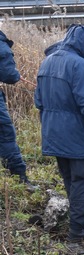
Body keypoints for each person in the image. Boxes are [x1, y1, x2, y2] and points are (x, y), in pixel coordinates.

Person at [35, 24, 84, 243]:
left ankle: (77, 220)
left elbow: (38, 101)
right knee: (82, 179)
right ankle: (79, 231)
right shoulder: (80, 65)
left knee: (70, 177)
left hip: (53, 131)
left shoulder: (48, 60)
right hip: (76, 134)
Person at [0, 29, 37, 190]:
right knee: (5, 135)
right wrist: (15, 75)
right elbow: (9, 75)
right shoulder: (1, 46)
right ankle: (20, 177)